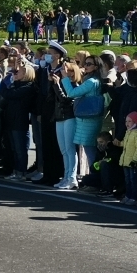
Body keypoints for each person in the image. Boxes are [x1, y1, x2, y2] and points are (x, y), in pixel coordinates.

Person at [59, 54, 104, 189]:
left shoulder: (92, 82)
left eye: (89, 64)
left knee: (90, 151)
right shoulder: (91, 79)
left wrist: (65, 78)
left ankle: (95, 181)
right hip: (87, 118)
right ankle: (93, 180)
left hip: (89, 119)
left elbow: (72, 93)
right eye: (85, 63)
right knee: (88, 149)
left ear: (96, 67)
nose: (86, 66)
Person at [0, 64, 38, 180]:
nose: (15, 74)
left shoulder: (29, 87)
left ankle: (21, 172)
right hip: (10, 119)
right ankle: (15, 171)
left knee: (20, 149)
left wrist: (3, 83)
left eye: (19, 72)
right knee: (14, 148)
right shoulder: (16, 85)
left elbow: (9, 94)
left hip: (20, 121)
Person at [119, 112, 137, 205]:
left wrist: (135, 160)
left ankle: (134, 197)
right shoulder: (128, 132)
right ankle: (128, 195)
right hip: (126, 161)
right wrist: (118, 143)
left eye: (129, 121)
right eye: (126, 121)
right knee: (128, 180)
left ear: (136, 122)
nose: (127, 123)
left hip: (133, 162)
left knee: (133, 180)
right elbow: (125, 145)